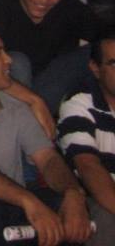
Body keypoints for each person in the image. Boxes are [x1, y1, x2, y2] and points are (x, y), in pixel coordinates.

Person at [0, 26, 92, 246]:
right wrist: (28, 201)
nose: (8, 60)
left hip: (15, 201)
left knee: (70, 209)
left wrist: (72, 193)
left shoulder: (14, 105)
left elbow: (47, 158)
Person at [58, 26, 115, 246]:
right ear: (95, 68)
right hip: (97, 198)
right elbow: (87, 166)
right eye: (114, 64)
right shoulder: (79, 103)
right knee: (106, 217)